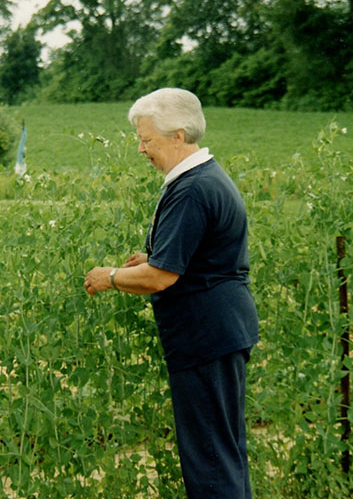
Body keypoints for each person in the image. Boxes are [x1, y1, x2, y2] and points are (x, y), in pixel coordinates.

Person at [84, 88, 259, 498]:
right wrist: (150, 257)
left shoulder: (192, 189)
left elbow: (162, 277)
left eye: (147, 140)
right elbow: (188, 258)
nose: (141, 149)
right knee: (224, 450)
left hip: (206, 336)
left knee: (210, 458)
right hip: (220, 332)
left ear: (178, 136)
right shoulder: (206, 177)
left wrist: (107, 276)